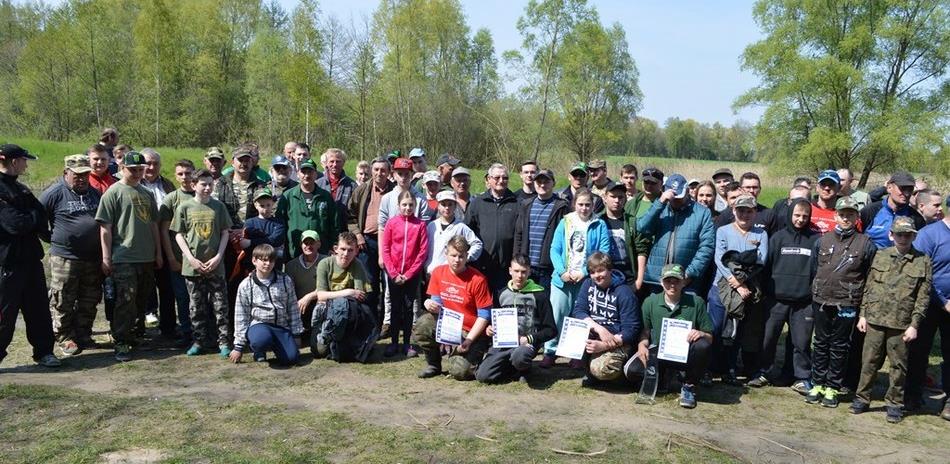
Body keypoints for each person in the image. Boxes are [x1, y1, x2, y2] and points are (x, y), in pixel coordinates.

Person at [849, 217, 931, 423]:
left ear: (914, 236)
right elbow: (869, 287)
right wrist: (863, 314)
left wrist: (914, 325)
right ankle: (862, 398)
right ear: (890, 235)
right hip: (875, 319)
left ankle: (894, 403)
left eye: (907, 235)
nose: (903, 238)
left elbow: (923, 297)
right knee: (869, 362)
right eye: (899, 234)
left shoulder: (923, 260)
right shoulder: (880, 255)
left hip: (901, 323)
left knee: (898, 367)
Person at [805, 197, 876, 408]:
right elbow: (813, 270)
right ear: (836, 215)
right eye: (842, 214)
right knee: (820, 343)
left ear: (856, 217)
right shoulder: (822, 240)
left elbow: (869, 275)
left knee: (839, 346)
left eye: (850, 215)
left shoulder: (865, 243)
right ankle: (817, 383)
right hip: (821, 300)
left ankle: (832, 387)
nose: (846, 218)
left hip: (847, 302)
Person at [95, 152, 163, 362]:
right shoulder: (113, 193)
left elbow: (153, 225)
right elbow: (105, 229)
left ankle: (135, 334)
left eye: (140, 170)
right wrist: (106, 258)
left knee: (142, 299)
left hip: (146, 257)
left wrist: (158, 252)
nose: (137, 173)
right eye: (132, 169)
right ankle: (121, 340)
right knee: (125, 300)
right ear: (122, 168)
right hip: (123, 257)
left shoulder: (146, 193)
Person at [0, 144, 60, 368]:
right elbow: (16, 224)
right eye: (24, 160)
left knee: (39, 310)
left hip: (31, 259)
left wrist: (32, 218)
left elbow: (39, 213)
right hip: (7, 262)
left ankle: (44, 352)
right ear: (14, 161)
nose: (26, 164)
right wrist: (32, 218)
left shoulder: (22, 189)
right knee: (4, 313)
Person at [750, 199, 818, 392]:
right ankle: (763, 371)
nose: (800, 219)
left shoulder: (815, 240)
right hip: (775, 300)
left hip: (803, 302)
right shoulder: (777, 238)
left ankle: (802, 377)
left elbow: (816, 270)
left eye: (805, 216)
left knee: (801, 342)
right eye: (797, 215)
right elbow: (766, 267)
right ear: (790, 215)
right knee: (768, 338)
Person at [40, 155, 103, 356]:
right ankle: (64, 337)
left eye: (85, 174)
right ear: (66, 173)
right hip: (64, 257)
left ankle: (83, 334)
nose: (82, 179)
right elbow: (39, 220)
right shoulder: (54, 193)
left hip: (92, 257)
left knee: (90, 297)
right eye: (77, 175)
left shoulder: (95, 193)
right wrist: (55, 239)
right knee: (62, 298)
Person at [625, 263, 713, 408]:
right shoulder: (650, 302)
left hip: (685, 354)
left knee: (703, 345)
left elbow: (710, 337)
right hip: (660, 351)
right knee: (632, 371)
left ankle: (689, 385)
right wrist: (642, 345)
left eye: (677, 281)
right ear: (661, 281)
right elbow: (645, 332)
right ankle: (664, 377)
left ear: (684, 282)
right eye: (668, 280)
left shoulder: (696, 302)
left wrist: (701, 333)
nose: (672, 285)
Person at [542, 189, 611, 368]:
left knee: (580, 317)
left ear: (593, 205)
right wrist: (561, 271)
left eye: (588, 204)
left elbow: (603, 251)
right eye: (580, 204)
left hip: (585, 279)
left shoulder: (599, 224)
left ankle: (575, 353)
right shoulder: (566, 222)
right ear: (574, 204)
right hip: (562, 279)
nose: (584, 208)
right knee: (557, 315)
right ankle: (550, 350)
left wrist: (585, 272)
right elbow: (554, 249)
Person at [171, 169, 233, 357]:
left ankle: (223, 342)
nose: (207, 188)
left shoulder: (218, 207)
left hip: (216, 266)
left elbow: (225, 232)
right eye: (203, 184)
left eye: (210, 184)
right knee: (196, 307)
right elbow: (178, 234)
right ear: (194, 185)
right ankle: (199, 341)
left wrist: (218, 257)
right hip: (193, 266)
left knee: (220, 306)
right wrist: (190, 258)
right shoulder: (185, 207)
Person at [708, 194, 769, 382]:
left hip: (746, 291)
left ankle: (729, 368)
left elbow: (760, 260)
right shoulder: (723, 231)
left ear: (755, 213)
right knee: (716, 329)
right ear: (734, 211)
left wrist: (742, 283)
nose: (744, 214)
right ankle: (710, 368)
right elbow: (720, 258)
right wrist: (732, 279)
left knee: (736, 333)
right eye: (740, 210)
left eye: (749, 211)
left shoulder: (761, 234)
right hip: (721, 287)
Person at [415, 236, 493, 380]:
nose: (457, 260)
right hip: (449, 327)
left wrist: (469, 340)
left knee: (459, 372)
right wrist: (428, 304)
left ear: (467, 256)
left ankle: (475, 357)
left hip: (471, 332)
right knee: (422, 325)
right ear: (446, 254)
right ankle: (433, 364)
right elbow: (436, 306)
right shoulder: (438, 272)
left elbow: (484, 315)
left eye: (461, 256)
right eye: (453, 255)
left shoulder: (478, 279)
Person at [475, 256, 557, 383]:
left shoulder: (540, 295)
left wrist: (528, 339)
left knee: (520, 356)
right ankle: (511, 368)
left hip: (526, 344)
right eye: (516, 271)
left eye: (524, 272)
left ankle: (524, 369)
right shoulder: (500, 293)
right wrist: (490, 328)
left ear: (529, 272)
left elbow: (551, 330)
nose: (520, 275)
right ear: (510, 271)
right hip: (504, 343)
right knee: (483, 376)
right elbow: (494, 320)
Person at [906, 199, 950, 420]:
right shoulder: (930, 234)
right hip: (929, 304)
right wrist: (943, 301)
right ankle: (912, 395)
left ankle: (949, 401)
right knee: (919, 351)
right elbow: (921, 272)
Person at [637, 174, 715, 294]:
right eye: (672, 196)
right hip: (657, 279)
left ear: (688, 191)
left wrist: (689, 274)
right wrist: (661, 202)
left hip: (687, 282)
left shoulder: (702, 213)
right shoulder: (660, 208)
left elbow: (706, 247)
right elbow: (642, 227)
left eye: (679, 196)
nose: (675, 200)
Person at [572, 252, 641, 386]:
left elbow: (631, 330)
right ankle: (589, 372)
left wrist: (604, 345)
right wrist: (599, 329)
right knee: (572, 331)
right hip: (597, 333)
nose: (597, 276)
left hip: (618, 339)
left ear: (610, 269)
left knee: (602, 369)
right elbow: (579, 311)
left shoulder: (625, 293)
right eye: (592, 272)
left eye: (600, 271)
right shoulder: (587, 284)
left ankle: (621, 377)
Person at [229, 244, 303, 366]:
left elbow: (293, 308)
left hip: (281, 326)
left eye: (271, 260)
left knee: (291, 359)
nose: (267, 264)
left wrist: (296, 334)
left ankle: (279, 346)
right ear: (254, 261)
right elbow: (241, 316)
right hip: (259, 325)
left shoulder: (285, 280)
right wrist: (239, 346)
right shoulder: (246, 285)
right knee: (260, 340)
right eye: (263, 260)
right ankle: (259, 350)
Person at [311, 232, 378, 363]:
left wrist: (349, 295)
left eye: (350, 250)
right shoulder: (324, 264)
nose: (346, 254)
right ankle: (327, 338)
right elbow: (321, 295)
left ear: (356, 251)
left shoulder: (357, 265)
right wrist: (347, 291)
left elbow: (360, 295)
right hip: (326, 310)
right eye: (342, 249)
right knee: (319, 352)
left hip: (349, 311)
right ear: (336, 249)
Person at [381, 191, 429, 357]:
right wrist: (394, 273)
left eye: (411, 205)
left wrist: (408, 274)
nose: (408, 208)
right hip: (394, 274)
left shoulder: (420, 225)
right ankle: (394, 342)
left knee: (409, 308)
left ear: (415, 206)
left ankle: (407, 343)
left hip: (411, 275)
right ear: (398, 205)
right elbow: (386, 249)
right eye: (404, 205)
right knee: (395, 308)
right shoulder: (392, 223)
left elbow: (422, 253)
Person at [347, 157, 393, 323]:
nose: (379, 173)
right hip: (366, 242)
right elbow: (350, 214)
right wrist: (358, 235)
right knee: (369, 283)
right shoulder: (362, 190)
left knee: (389, 284)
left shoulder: (395, 191)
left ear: (389, 172)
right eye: (376, 169)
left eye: (383, 170)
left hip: (390, 243)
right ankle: (371, 321)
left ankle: (388, 322)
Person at [465, 163, 521, 295]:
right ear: (488, 179)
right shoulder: (477, 203)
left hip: (506, 266)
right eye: (497, 177)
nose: (501, 181)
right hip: (481, 265)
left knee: (503, 304)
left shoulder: (517, 203)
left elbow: (521, 235)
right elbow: (467, 232)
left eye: (505, 178)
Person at [140, 148, 176, 336]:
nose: (151, 167)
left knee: (167, 287)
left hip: (165, 241)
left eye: (155, 163)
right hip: (141, 243)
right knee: (142, 287)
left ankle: (169, 327)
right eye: (147, 163)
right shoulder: (133, 183)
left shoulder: (168, 185)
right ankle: (139, 329)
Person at [159, 159, 197, 341]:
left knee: (201, 298)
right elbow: (164, 231)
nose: (184, 177)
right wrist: (171, 258)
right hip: (178, 258)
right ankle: (186, 331)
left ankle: (202, 331)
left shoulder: (204, 195)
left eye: (188, 173)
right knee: (182, 297)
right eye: (180, 174)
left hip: (201, 258)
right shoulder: (171, 199)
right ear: (175, 176)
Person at [513, 168, 569, 288]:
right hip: (526, 266)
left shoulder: (562, 206)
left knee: (545, 303)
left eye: (546, 182)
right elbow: (519, 234)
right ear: (534, 183)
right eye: (539, 182)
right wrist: (517, 260)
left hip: (548, 268)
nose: (542, 185)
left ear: (553, 183)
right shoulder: (526, 205)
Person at [277, 159, 338, 257]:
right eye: (303, 172)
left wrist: (333, 245)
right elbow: (280, 222)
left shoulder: (325, 196)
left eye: (310, 172)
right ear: (298, 174)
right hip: (295, 250)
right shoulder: (288, 196)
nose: (307, 175)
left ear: (316, 174)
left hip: (321, 250)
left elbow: (334, 223)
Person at [860, 171, 925, 248]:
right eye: (903, 189)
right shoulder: (870, 211)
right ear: (889, 188)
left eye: (910, 189)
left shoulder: (916, 218)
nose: (907, 194)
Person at [426, 190, 482, 275]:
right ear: (438, 206)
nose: (447, 208)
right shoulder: (431, 226)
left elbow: (477, 244)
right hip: (429, 272)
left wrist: (466, 258)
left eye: (450, 204)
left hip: (448, 273)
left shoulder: (460, 227)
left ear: (455, 206)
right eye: (443, 204)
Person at [603, 181, 647, 289]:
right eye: (613, 196)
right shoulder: (598, 221)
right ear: (605, 198)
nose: (617, 200)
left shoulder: (632, 221)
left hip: (629, 279)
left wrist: (639, 280)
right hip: (604, 279)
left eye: (620, 197)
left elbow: (641, 251)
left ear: (625, 198)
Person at [284, 230, 326, 342]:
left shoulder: (327, 261)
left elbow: (327, 287)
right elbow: (289, 290)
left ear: (319, 244)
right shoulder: (291, 265)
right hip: (298, 304)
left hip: (320, 301)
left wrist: (308, 297)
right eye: (305, 243)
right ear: (301, 245)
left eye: (312, 243)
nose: (308, 246)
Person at [239, 189, 287, 271]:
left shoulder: (279, 223)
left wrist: (251, 242)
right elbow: (245, 244)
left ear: (273, 203)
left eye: (268, 205)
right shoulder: (249, 223)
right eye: (262, 205)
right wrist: (267, 239)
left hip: (274, 265)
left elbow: (275, 240)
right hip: (254, 267)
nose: (266, 208)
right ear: (255, 205)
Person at [316, 148, 357, 229]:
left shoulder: (352, 185)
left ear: (343, 163)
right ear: (326, 163)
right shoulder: (318, 184)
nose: (334, 164)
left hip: (343, 229)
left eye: (338, 161)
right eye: (331, 161)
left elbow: (355, 212)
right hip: (322, 230)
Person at [810, 169, 843, 235]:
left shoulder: (846, 212)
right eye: (823, 184)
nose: (827, 188)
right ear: (817, 187)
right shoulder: (807, 209)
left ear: (839, 187)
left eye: (831, 184)